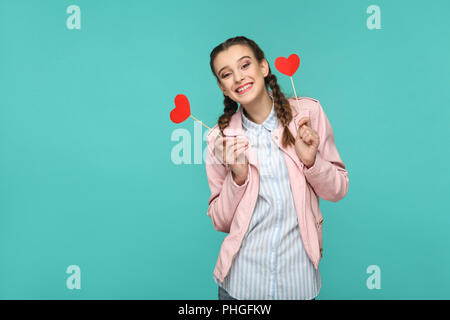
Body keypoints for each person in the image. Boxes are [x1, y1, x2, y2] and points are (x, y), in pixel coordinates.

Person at [205, 36, 349, 300]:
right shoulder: (219, 140)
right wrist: (238, 177)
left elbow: (339, 189)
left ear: (263, 67)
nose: (238, 78)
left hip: (299, 284)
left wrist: (311, 162)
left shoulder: (308, 115)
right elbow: (220, 220)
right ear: (222, 87)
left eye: (245, 65)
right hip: (240, 286)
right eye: (227, 74)